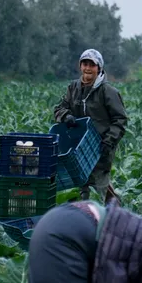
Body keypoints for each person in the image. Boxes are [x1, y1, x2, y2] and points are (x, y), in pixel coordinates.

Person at [54, 49, 128, 202]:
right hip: (79, 148)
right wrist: (66, 116)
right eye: (84, 64)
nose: (87, 68)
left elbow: (120, 120)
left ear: (99, 68)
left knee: (99, 187)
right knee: (81, 185)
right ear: (80, 66)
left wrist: (109, 141)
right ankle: (103, 215)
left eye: (92, 65)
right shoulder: (73, 88)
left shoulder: (108, 91)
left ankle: (111, 218)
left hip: (101, 147)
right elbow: (59, 108)